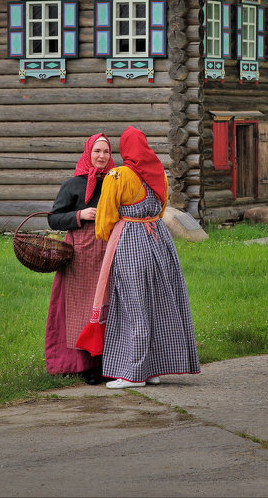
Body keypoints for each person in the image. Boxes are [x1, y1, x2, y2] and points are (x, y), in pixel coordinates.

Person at [93, 125, 200, 389]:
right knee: (156, 304)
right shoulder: (159, 173)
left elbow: (105, 219)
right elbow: (162, 207)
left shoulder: (118, 176)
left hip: (130, 239)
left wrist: (109, 237)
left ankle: (133, 373)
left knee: (133, 304)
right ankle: (152, 369)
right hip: (159, 240)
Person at [44, 133, 116, 384]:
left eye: (106, 152)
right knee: (82, 310)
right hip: (80, 254)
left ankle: (110, 361)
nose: (101, 156)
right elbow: (53, 219)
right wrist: (81, 214)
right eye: (97, 151)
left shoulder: (115, 181)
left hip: (109, 250)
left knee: (108, 306)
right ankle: (87, 365)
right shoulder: (73, 184)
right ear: (88, 153)